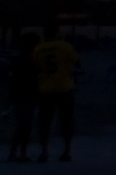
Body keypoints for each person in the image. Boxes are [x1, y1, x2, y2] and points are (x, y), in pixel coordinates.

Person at [32, 26, 80, 162]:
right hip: (64, 87)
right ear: (57, 33)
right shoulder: (64, 46)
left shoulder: (39, 49)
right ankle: (67, 151)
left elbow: (36, 68)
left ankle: (44, 151)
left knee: (45, 122)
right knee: (67, 121)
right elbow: (78, 62)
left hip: (46, 88)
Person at [6, 30, 42, 162]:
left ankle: (18, 152)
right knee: (24, 124)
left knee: (25, 124)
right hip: (24, 95)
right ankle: (18, 152)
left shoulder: (25, 60)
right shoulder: (26, 61)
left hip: (26, 95)